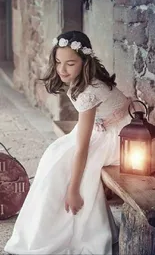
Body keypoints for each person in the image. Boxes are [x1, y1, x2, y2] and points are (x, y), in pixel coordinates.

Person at [4, 30, 132, 255]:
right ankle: (40, 227)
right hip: (104, 127)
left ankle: (71, 231)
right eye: (58, 62)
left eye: (70, 64)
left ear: (85, 62)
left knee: (67, 165)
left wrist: (73, 190)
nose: (62, 69)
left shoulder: (89, 92)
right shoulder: (81, 82)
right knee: (54, 154)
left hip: (122, 137)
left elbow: (82, 148)